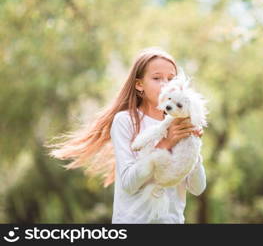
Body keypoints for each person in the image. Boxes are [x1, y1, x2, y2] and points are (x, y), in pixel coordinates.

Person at [46, 47, 206, 223]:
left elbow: (197, 188)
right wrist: (166, 143)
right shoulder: (125, 121)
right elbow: (129, 184)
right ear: (139, 85)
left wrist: (193, 149)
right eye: (156, 78)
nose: (165, 85)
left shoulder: (183, 122)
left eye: (170, 79)